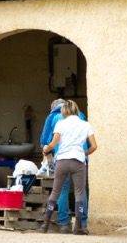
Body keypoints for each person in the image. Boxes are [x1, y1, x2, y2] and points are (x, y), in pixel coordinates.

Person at [39, 99, 97, 235]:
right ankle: (80, 226)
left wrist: (46, 150)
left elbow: (51, 143)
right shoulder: (85, 123)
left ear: (64, 111)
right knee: (80, 193)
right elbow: (94, 146)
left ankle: (47, 225)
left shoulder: (58, 122)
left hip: (62, 161)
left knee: (57, 191)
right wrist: (84, 153)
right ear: (76, 110)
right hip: (78, 162)